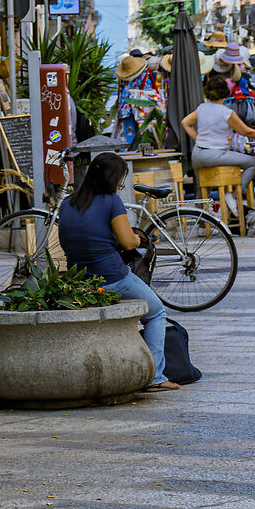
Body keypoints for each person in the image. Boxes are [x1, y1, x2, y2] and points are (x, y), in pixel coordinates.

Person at [55, 150, 178, 391]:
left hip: (79, 281)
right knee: (155, 313)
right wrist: (135, 236)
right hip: (111, 277)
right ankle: (155, 378)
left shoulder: (68, 204)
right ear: (114, 179)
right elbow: (128, 243)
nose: (121, 185)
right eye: (121, 180)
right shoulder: (111, 201)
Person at [183, 74, 255, 204]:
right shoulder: (226, 112)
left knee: (202, 188)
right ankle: (234, 196)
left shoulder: (201, 108)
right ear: (225, 92)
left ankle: (201, 219)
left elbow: (185, 123)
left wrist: (199, 139)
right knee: (253, 163)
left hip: (197, 155)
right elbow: (247, 132)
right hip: (215, 155)